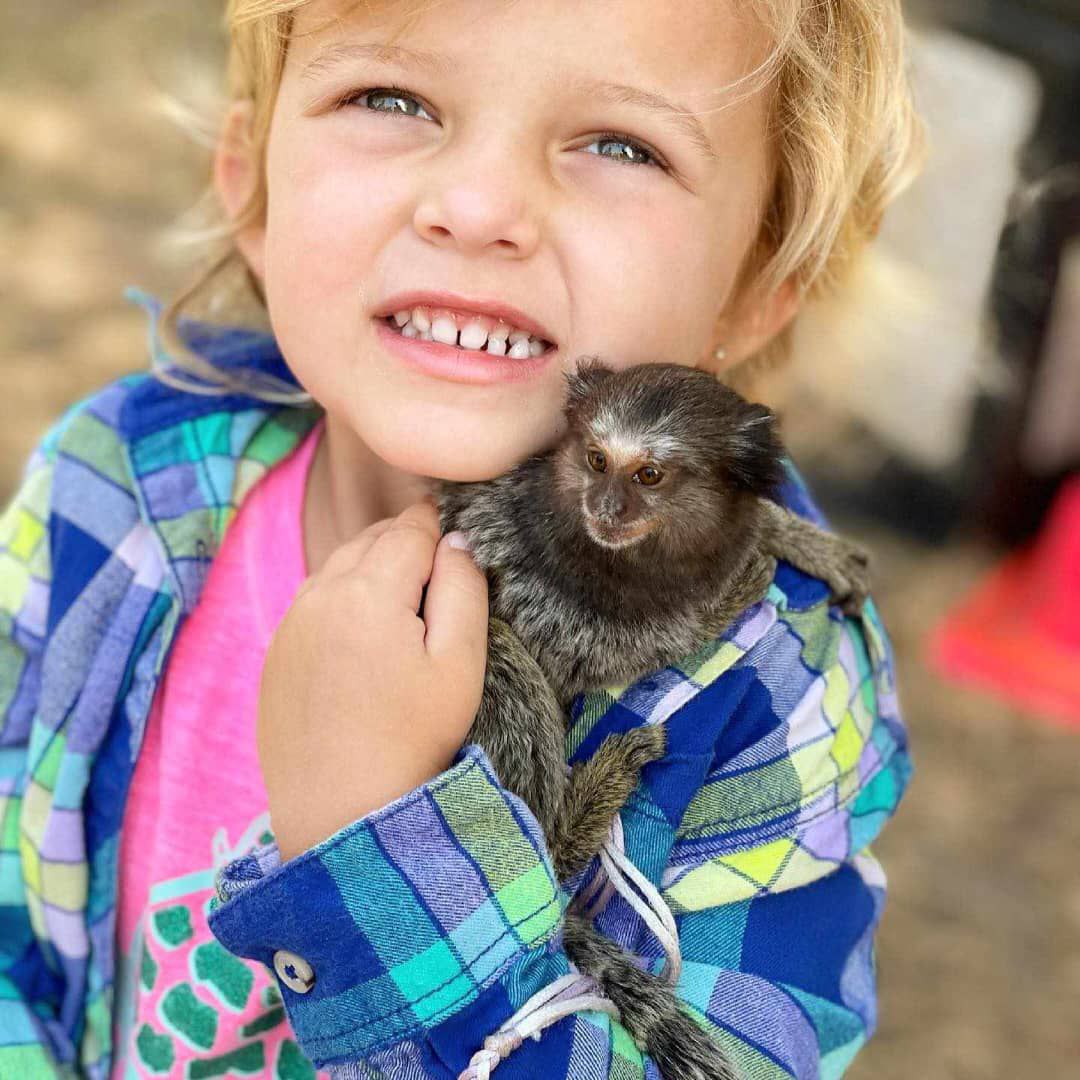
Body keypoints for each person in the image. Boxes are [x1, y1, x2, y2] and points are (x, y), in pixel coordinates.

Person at [0, 1, 924, 1077]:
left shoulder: (769, 692)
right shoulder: (114, 486)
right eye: (389, 99)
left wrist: (381, 835)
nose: (480, 209)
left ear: (758, 284)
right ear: (251, 183)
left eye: (621, 145)